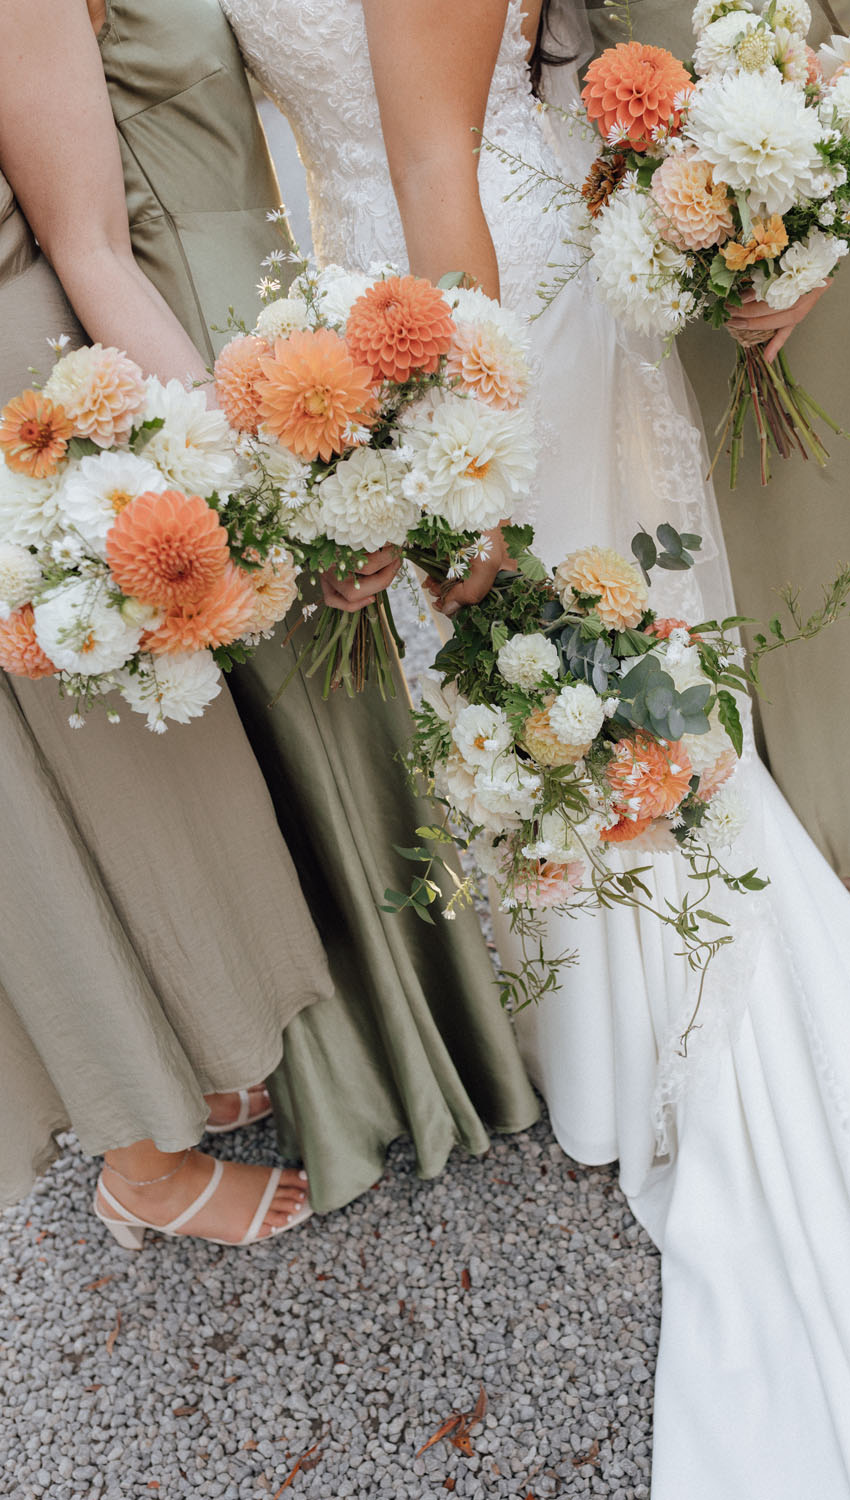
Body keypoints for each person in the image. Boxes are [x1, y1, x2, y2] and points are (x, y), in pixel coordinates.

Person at [218, 0, 850, 1491]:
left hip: (474, 295)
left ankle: (617, 1024)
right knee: (515, 704)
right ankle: (527, 1003)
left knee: (560, 674)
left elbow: (434, 155)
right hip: (356, 284)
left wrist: (459, 458)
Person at [0, 0, 537, 1242]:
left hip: (101, 369)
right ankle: (143, 1153)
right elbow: (91, 237)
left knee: (144, 784)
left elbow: (96, 226)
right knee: (48, 811)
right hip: (74, 383)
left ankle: (190, 1070)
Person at [586, 0, 850, 957]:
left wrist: (825, 212)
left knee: (831, 541)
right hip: (637, 206)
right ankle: (777, 873)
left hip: (811, 164)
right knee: (715, 568)